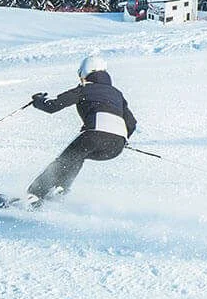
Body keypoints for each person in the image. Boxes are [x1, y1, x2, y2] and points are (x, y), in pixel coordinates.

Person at [18, 53, 137, 207]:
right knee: (76, 157)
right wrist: (121, 139)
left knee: (65, 160)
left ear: (84, 73)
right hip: (116, 147)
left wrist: (38, 100)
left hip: (94, 137)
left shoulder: (85, 89)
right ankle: (58, 192)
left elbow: (52, 106)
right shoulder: (117, 94)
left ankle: (33, 196)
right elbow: (131, 123)